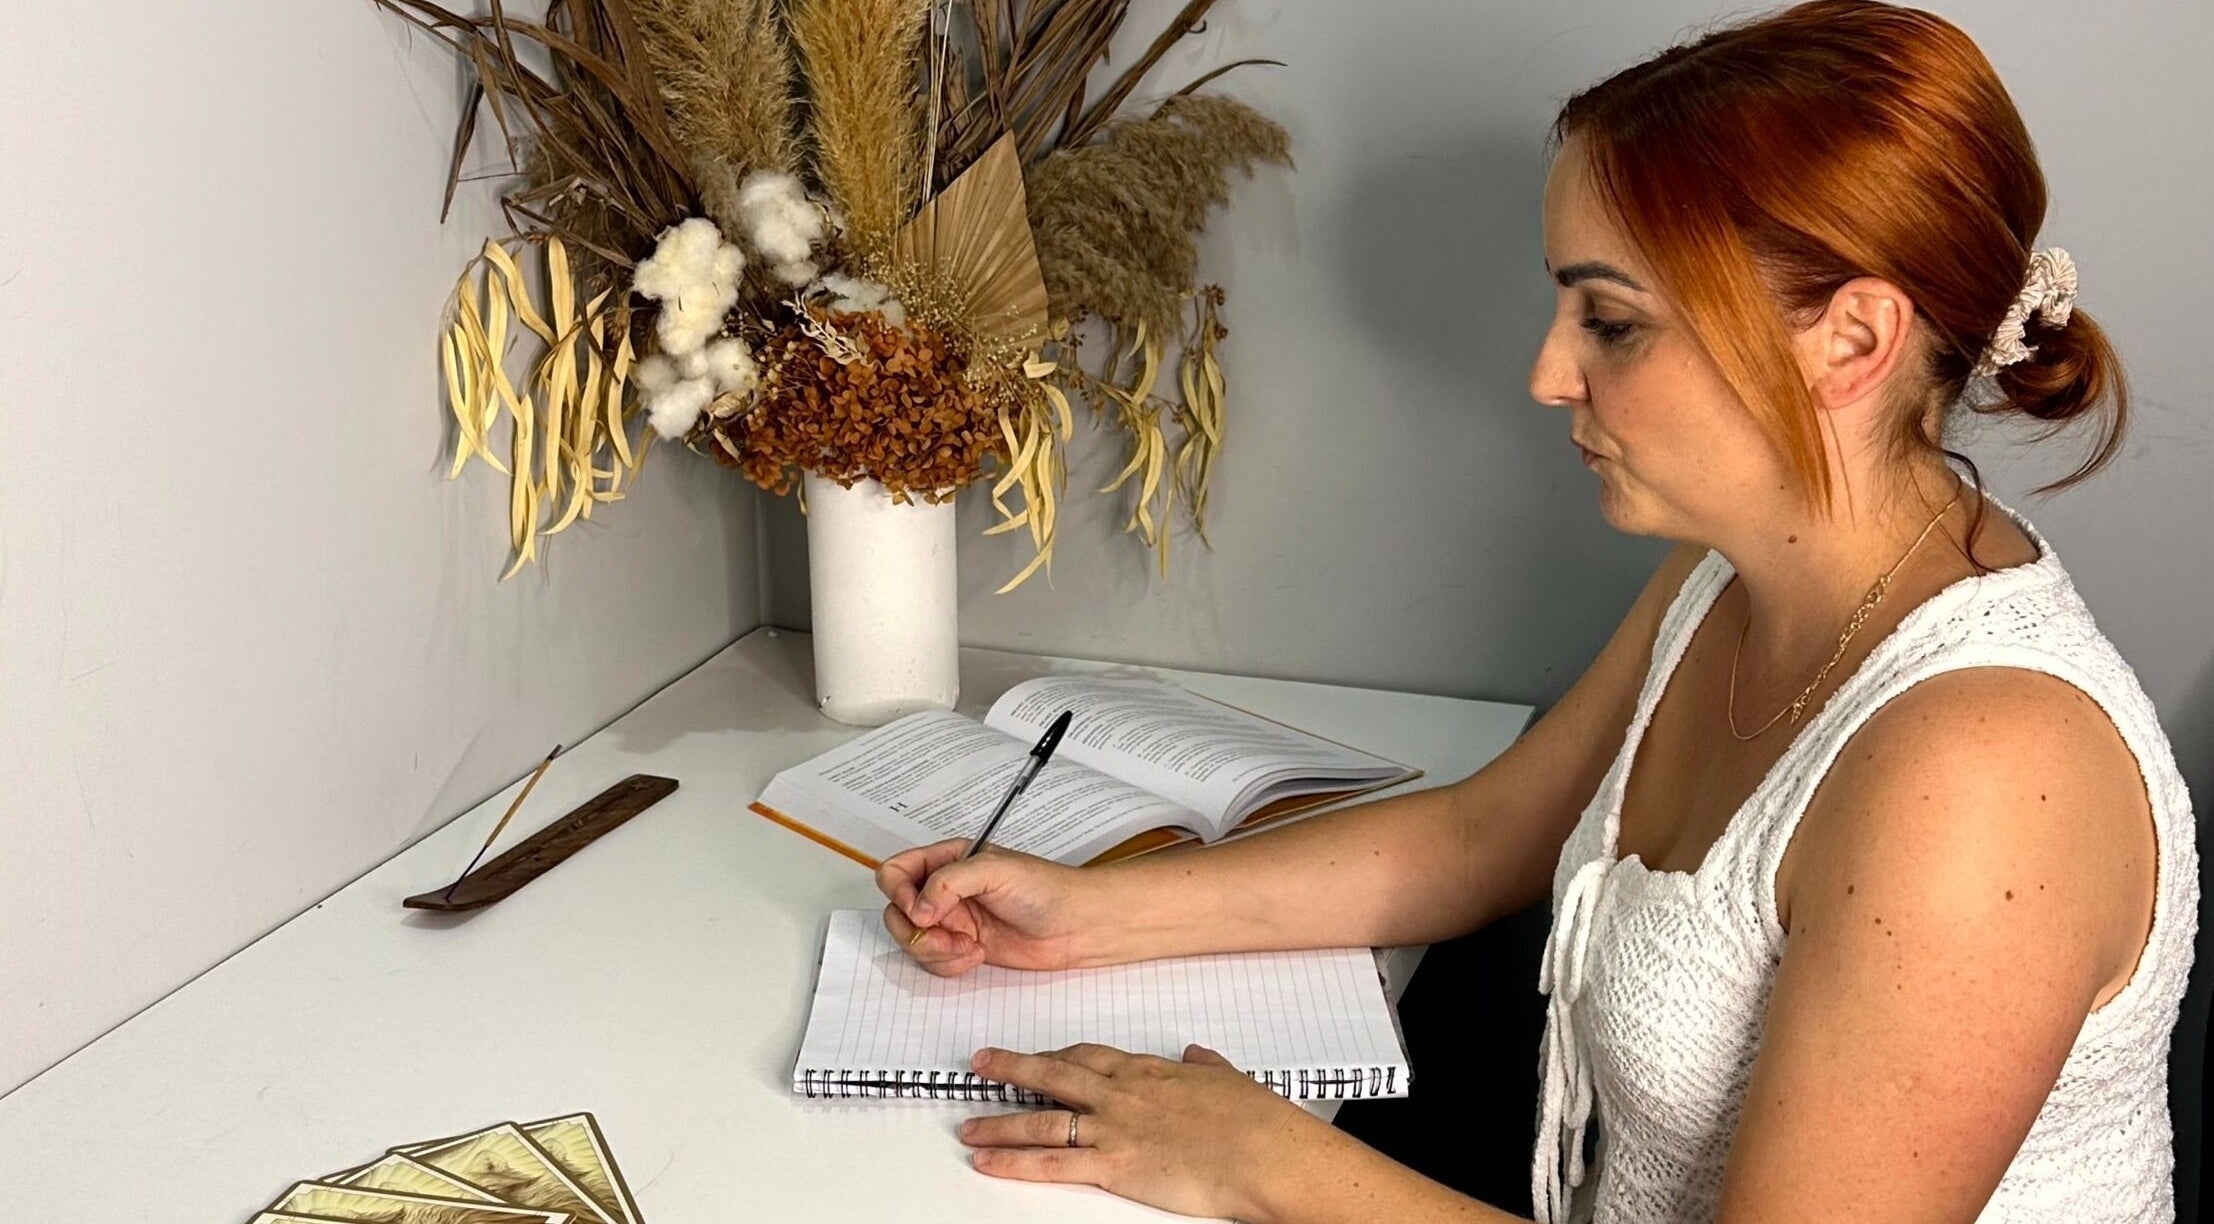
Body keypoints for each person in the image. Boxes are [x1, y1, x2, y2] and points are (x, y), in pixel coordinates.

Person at [874, 2, 2199, 1219]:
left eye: (1610, 323)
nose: (1547, 372)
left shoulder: (1981, 774)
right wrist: (1082, 916)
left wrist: (1267, 1161)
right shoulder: (1729, 572)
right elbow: (1488, 833)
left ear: (1847, 342)